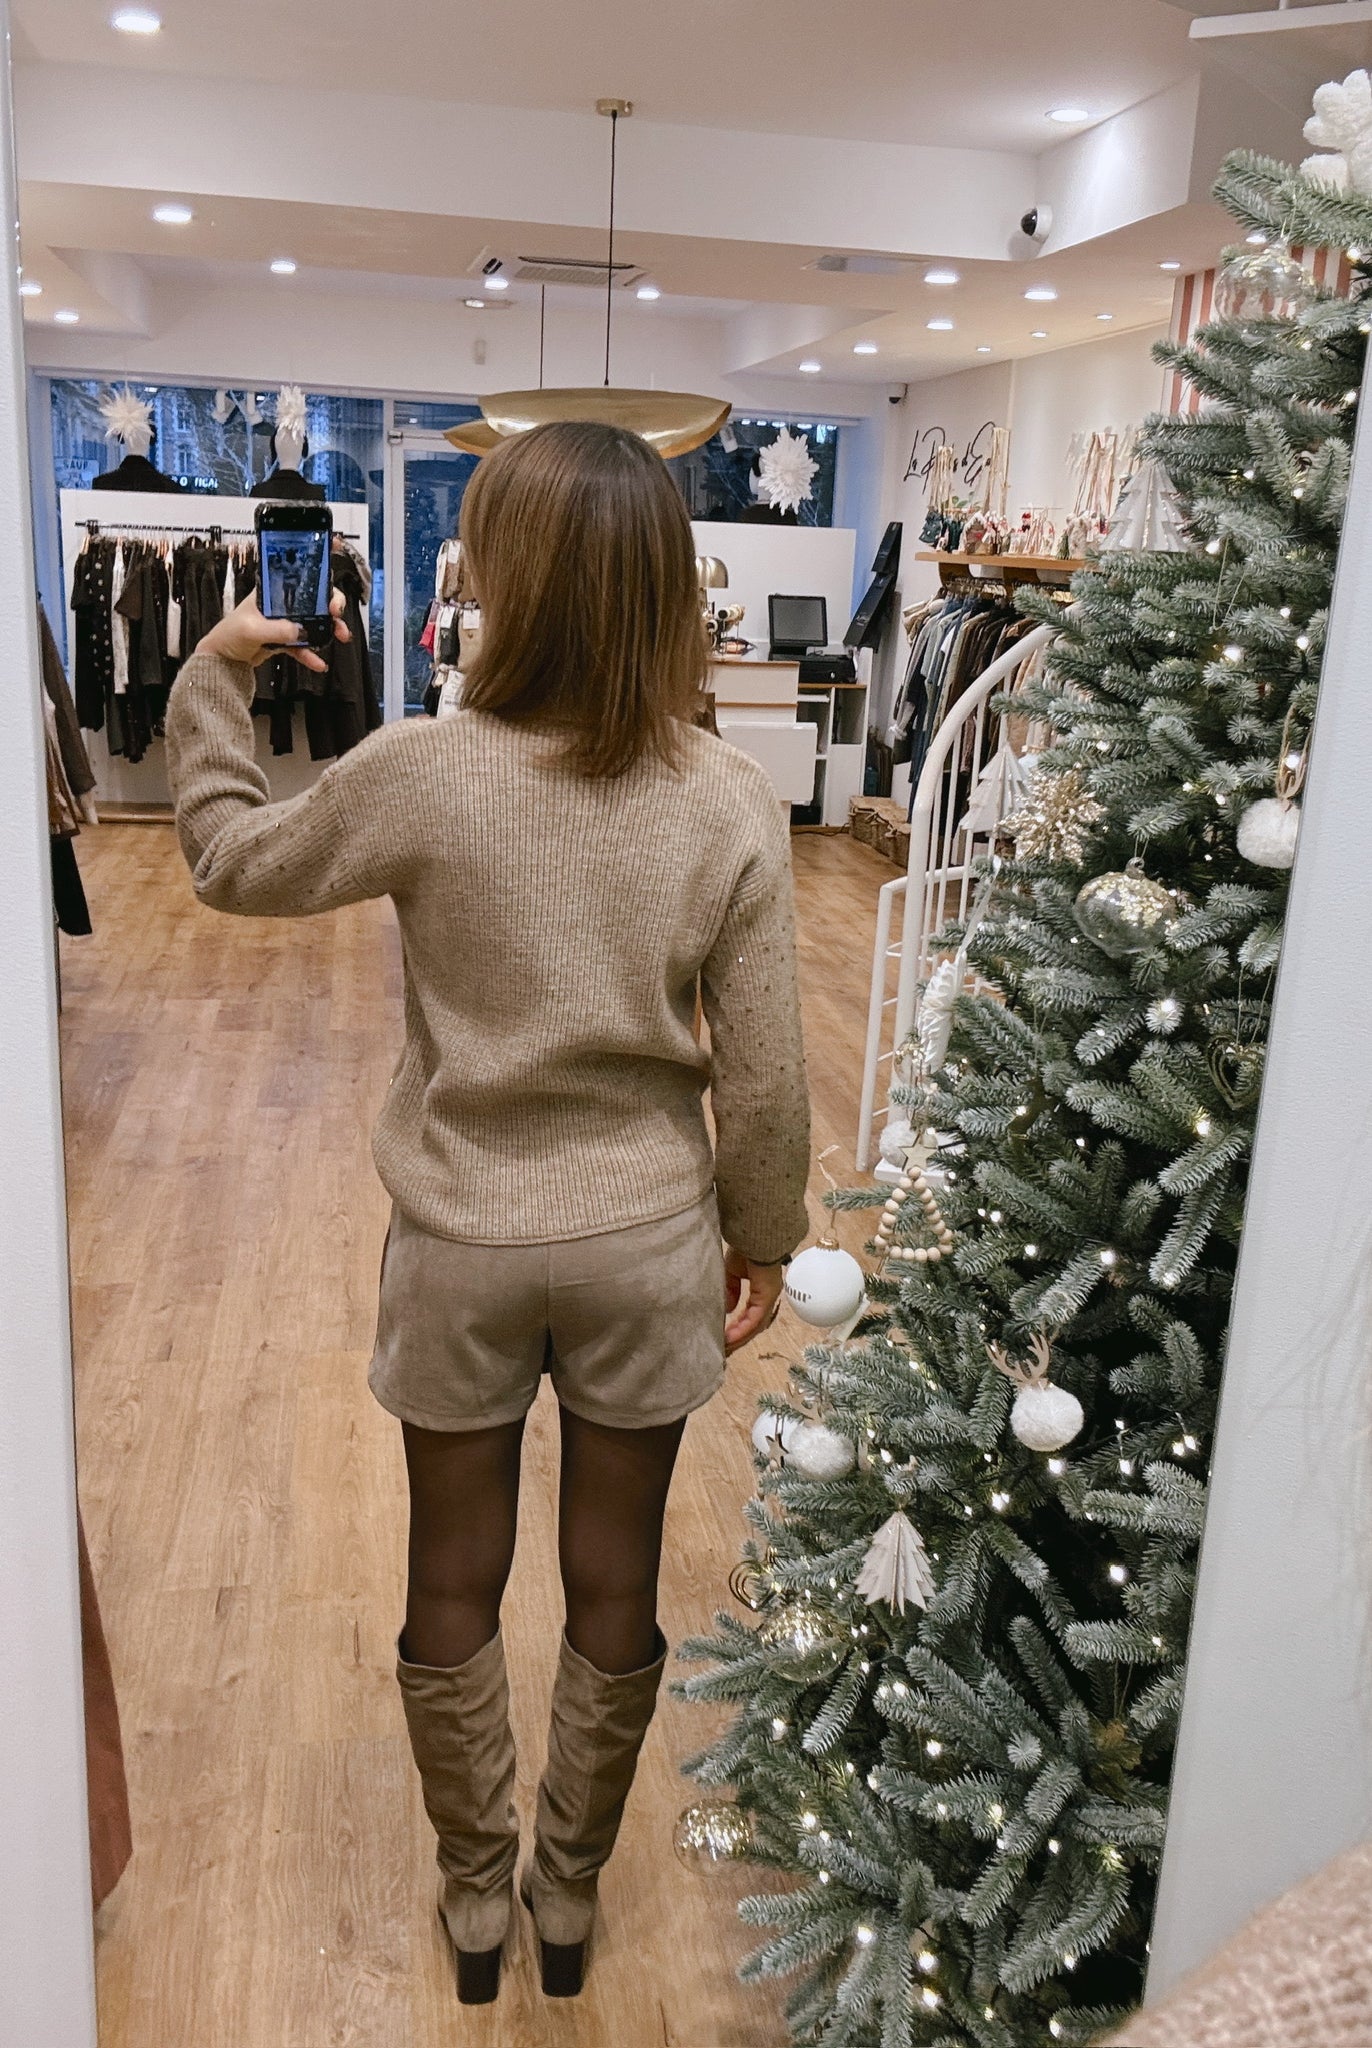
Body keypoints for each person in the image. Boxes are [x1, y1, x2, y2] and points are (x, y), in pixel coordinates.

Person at [163, 420, 811, 2005]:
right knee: (617, 1576)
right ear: (666, 585)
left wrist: (218, 668)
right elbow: (768, 1072)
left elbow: (231, 861)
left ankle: (475, 1900)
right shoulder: (730, 797)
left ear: (502, 581)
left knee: (450, 1572)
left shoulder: (421, 770)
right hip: (646, 1244)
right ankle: (565, 1895)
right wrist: (765, 1234)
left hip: (459, 1238)